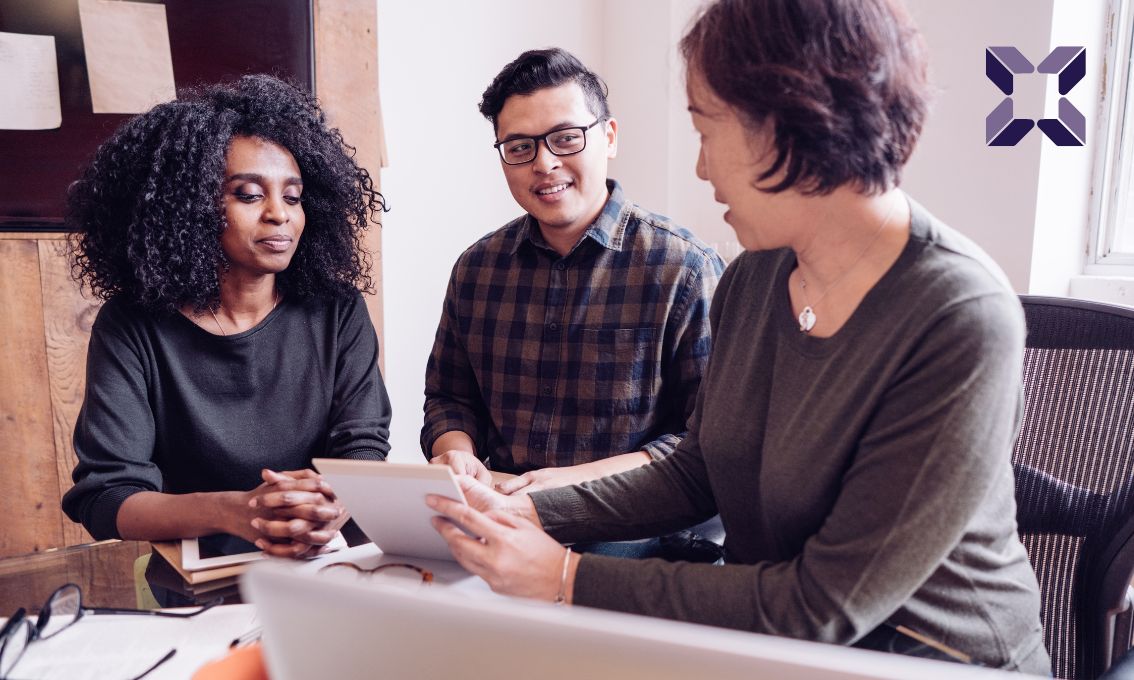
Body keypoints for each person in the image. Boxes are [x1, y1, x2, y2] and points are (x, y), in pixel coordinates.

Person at [426, 0, 1051, 673]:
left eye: (705, 129)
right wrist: (528, 508)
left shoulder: (958, 314)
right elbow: (701, 471)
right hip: (771, 648)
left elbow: (821, 607)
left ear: (786, 123)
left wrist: (567, 577)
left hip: (931, 659)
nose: (700, 169)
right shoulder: (755, 277)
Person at [61, 75, 391, 559]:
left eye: (293, 197)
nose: (280, 214)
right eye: (249, 194)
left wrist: (334, 497)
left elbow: (363, 446)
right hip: (202, 578)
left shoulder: (336, 309)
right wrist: (235, 510)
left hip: (331, 562)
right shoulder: (133, 325)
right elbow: (108, 496)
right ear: (189, 208)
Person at [423, 48, 725, 517]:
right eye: (520, 147)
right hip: (500, 510)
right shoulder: (476, 270)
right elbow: (450, 397)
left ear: (609, 137)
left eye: (565, 138)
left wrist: (567, 485)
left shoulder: (684, 269)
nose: (544, 164)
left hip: (634, 524)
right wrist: (456, 451)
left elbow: (706, 441)